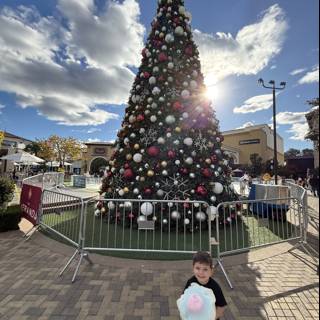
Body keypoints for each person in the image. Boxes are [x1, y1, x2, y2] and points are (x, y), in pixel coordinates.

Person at [183, 251, 227, 319]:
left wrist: (212, 317)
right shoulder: (190, 282)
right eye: (197, 268)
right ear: (193, 268)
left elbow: (222, 306)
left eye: (205, 269)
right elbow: (185, 298)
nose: (201, 272)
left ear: (211, 271)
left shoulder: (214, 287)